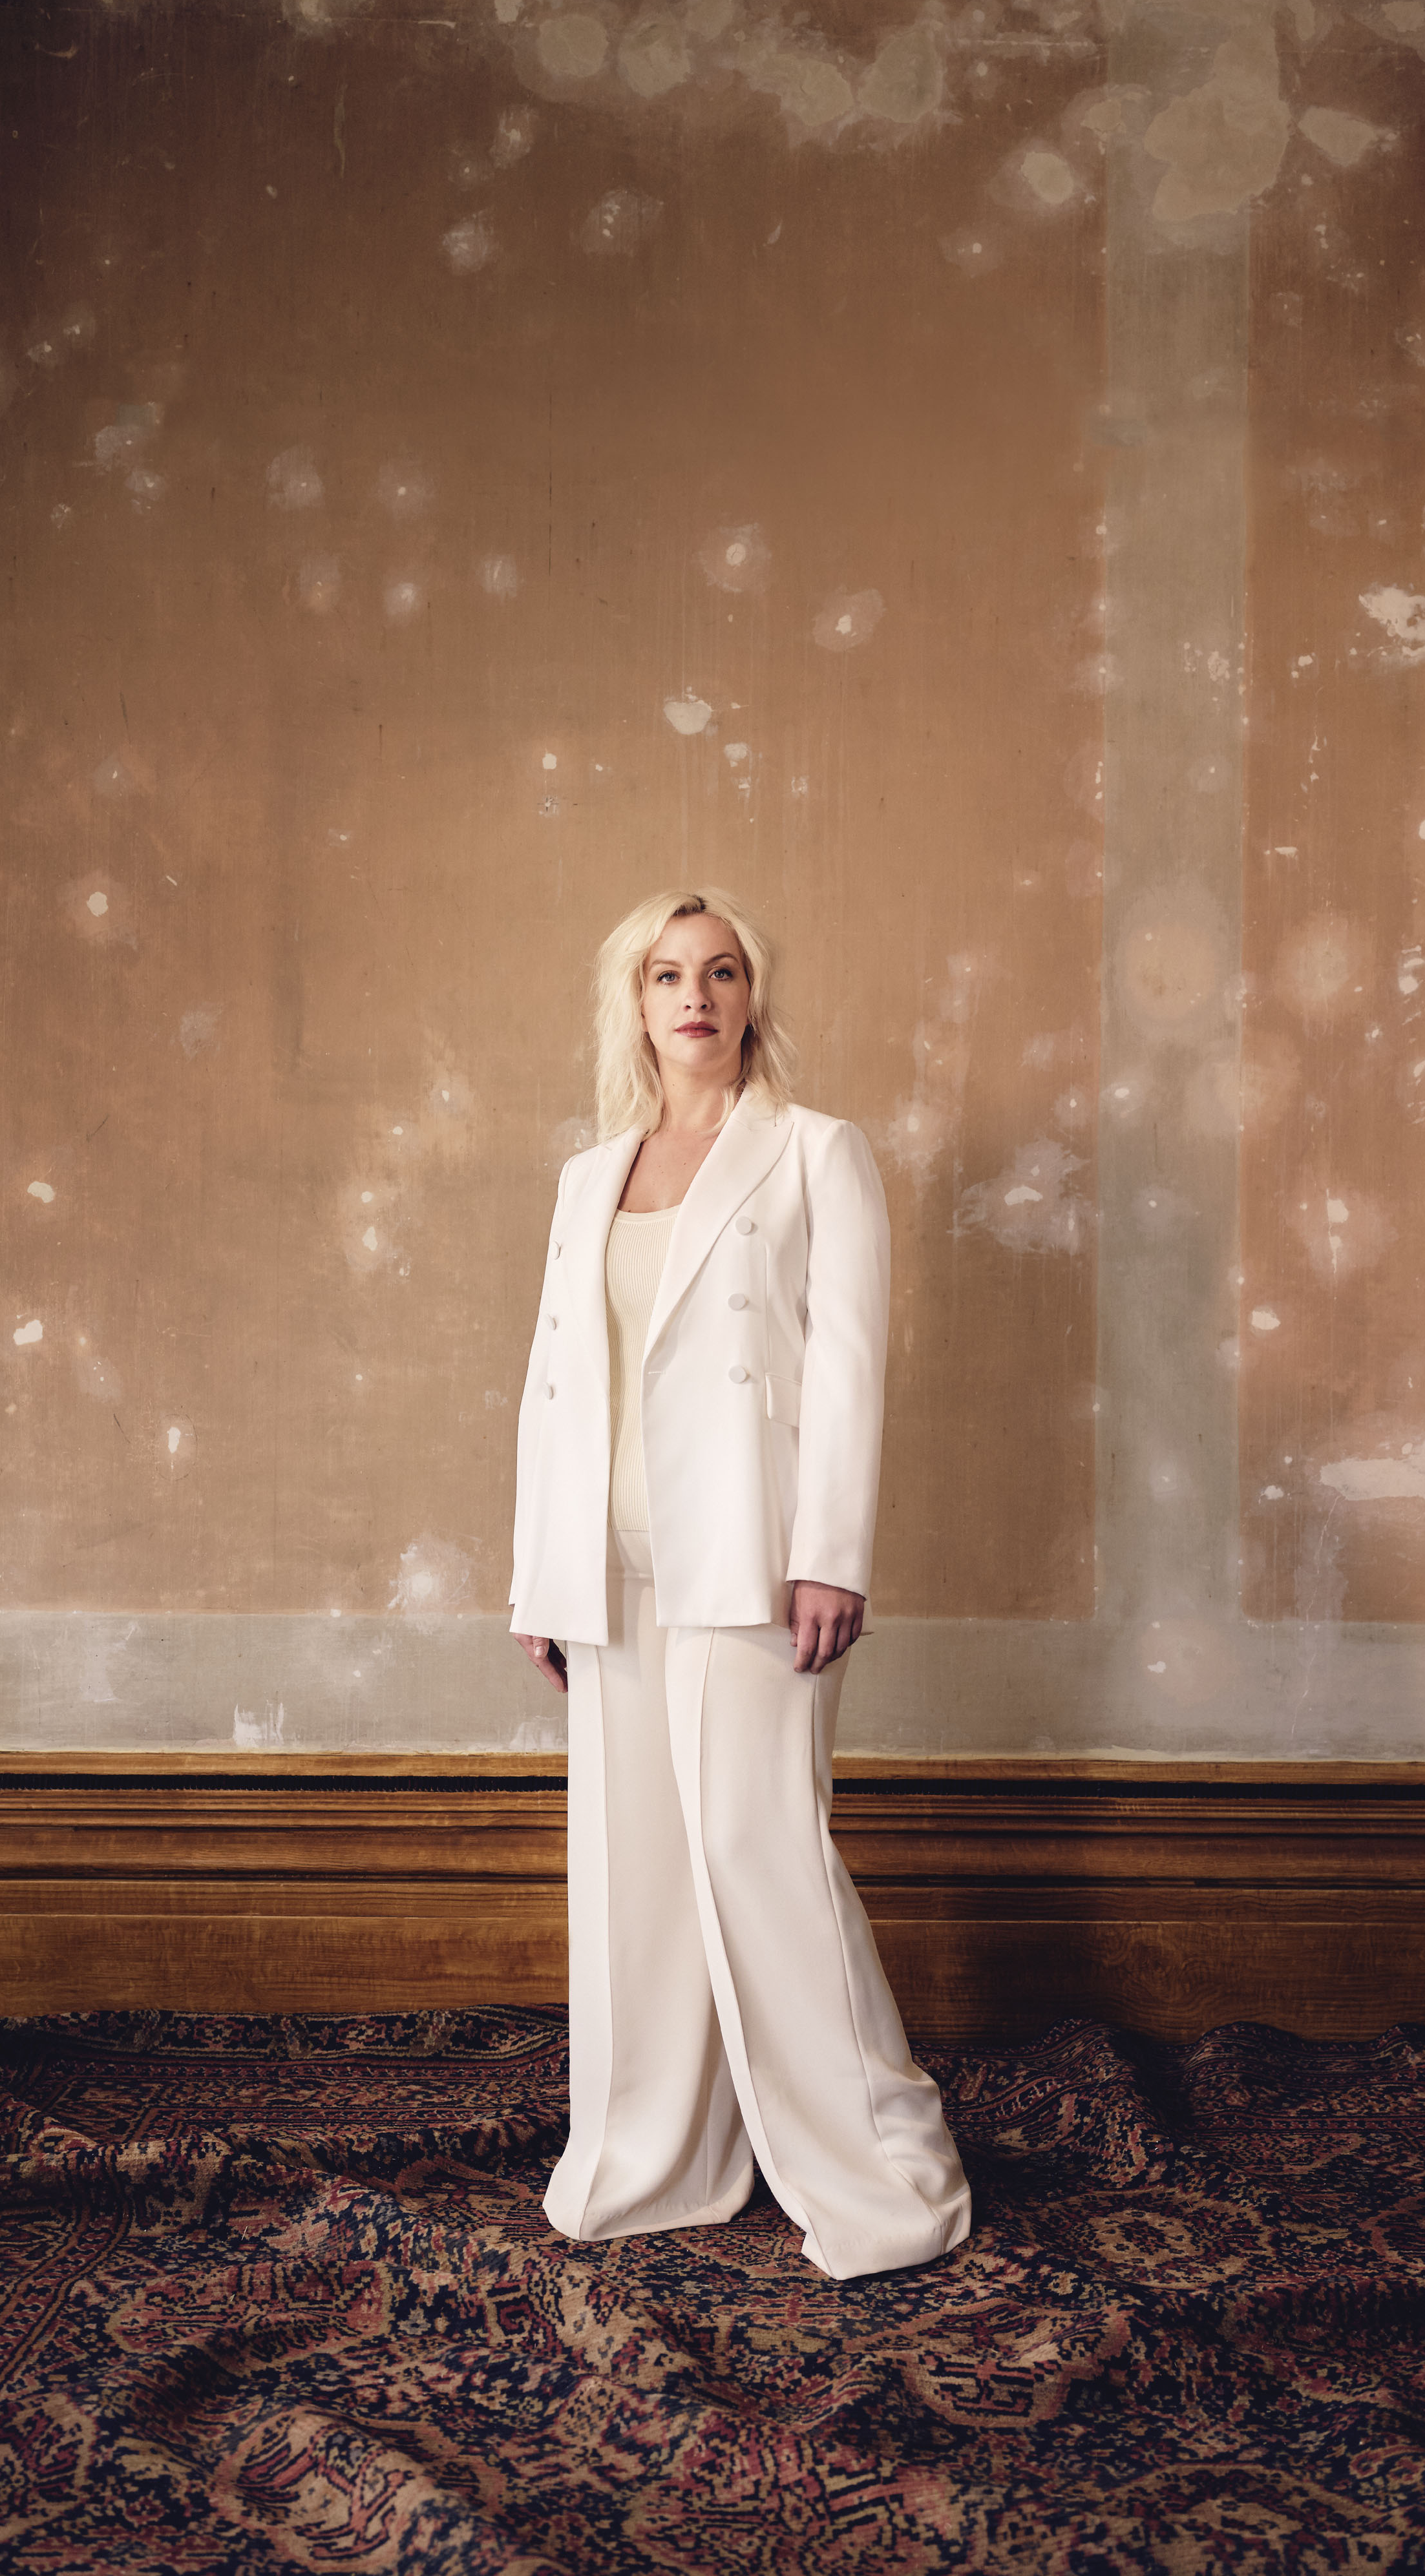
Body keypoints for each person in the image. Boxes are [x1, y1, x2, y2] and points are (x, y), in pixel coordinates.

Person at [509, 886, 971, 2281]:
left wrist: (830, 1553)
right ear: (636, 1002)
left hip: (753, 1561)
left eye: (719, 972)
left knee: (759, 1848)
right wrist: (541, 1575)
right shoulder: (589, 1176)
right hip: (614, 1564)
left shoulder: (815, 1153)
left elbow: (849, 1366)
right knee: (635, 1873)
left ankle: (884, 2170)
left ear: (751, 996)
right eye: (667, 974)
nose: (694, 996)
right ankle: (654, 2157)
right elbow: (552, 1384)